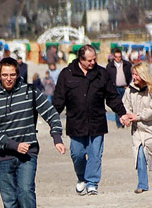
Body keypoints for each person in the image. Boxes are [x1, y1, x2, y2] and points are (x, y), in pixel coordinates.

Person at [0, 58, 66, 208]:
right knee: (9, 199)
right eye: (5, 75)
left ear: (18, 74)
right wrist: (13, 145)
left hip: (28, 153)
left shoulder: (30, 92)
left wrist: (57, 137)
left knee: (26, 192)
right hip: (4, 156)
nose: (9, 79)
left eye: (12, 74)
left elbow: (51, 114)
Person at [51, 44, 128, 196]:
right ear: (81, 59)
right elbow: (59, 100)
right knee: (77, 153)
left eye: (94, 59)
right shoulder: (67, 74)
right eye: (89, 60)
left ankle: (92, 183)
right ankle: (82, 178)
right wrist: (51, 118)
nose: (93, 63)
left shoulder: (102, 73)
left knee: (95, 154)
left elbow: (112, 96)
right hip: (75, 122)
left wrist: (122, 113)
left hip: (97, 121)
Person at [123, 62, 152, 193]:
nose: (134, 77)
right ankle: (142, 185)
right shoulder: (130, 90)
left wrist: (137, 116)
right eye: (133, 74)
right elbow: (125, 105)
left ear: (143, 75)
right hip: (138, 129)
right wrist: (127, 117)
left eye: (136, 74)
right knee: (139, 155)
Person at [105, 48, 132, 129]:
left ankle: (126, 121)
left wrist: (128, 85)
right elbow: (107, 78)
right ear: (114, 57)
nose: (118, 58)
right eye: (116, 57)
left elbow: (131, 75)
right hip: (114, 88)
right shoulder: (110, 66)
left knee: (126, 105)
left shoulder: (127, 64)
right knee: (117, 105)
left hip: (124, 87)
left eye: (119, 57)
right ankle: (119, 123)